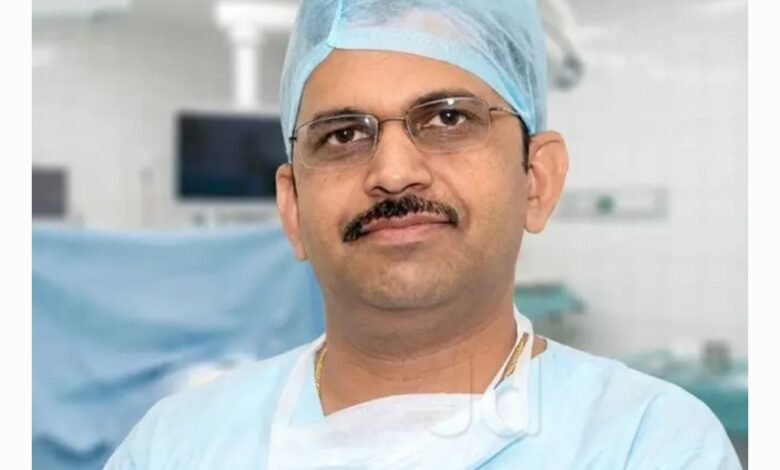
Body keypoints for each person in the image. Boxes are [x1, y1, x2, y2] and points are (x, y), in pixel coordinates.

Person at [105, 0, 741, 468]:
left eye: (448, 119)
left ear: (536, 180)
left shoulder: (649, 444)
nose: (393, 171)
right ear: (293, 207)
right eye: (343, 134)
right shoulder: (174, 446)